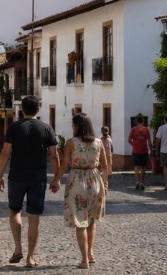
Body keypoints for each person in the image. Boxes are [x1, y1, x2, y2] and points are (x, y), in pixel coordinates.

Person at [0, 96, 60, 268]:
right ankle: (30, 257)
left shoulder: (13, 127)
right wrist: (56, 178)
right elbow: (54, 155)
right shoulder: (47, 128)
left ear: (22, 110)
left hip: (16, 176)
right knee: (34, 217)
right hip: (38, 178)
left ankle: (18, 249)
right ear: (38, 109)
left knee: (15, 211)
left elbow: (5, 153)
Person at [56, 113, 110, 269]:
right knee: (92, 221)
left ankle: (84, 260)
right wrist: (105, 183)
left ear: (78, 126)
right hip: (94, 180)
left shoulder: (71, 143)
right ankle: (91, 254)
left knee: (80, 222)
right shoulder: (99, 142)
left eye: (73, 125)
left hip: (77, 180)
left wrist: (55, 180)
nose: (72, 127)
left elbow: (64, 165)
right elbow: (105, 166)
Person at [127, 117, 151, 191]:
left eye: (141, 123)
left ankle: (141, 182)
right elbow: (129, 140)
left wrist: (150, 149)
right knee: (138, 167)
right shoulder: (134, 130)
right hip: (136, 151)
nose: (140, 124)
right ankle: (138, 182)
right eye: (140, 123)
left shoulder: (146, 130)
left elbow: (149, 140)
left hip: (143, 151)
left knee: (142, 168)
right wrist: (134, 145)